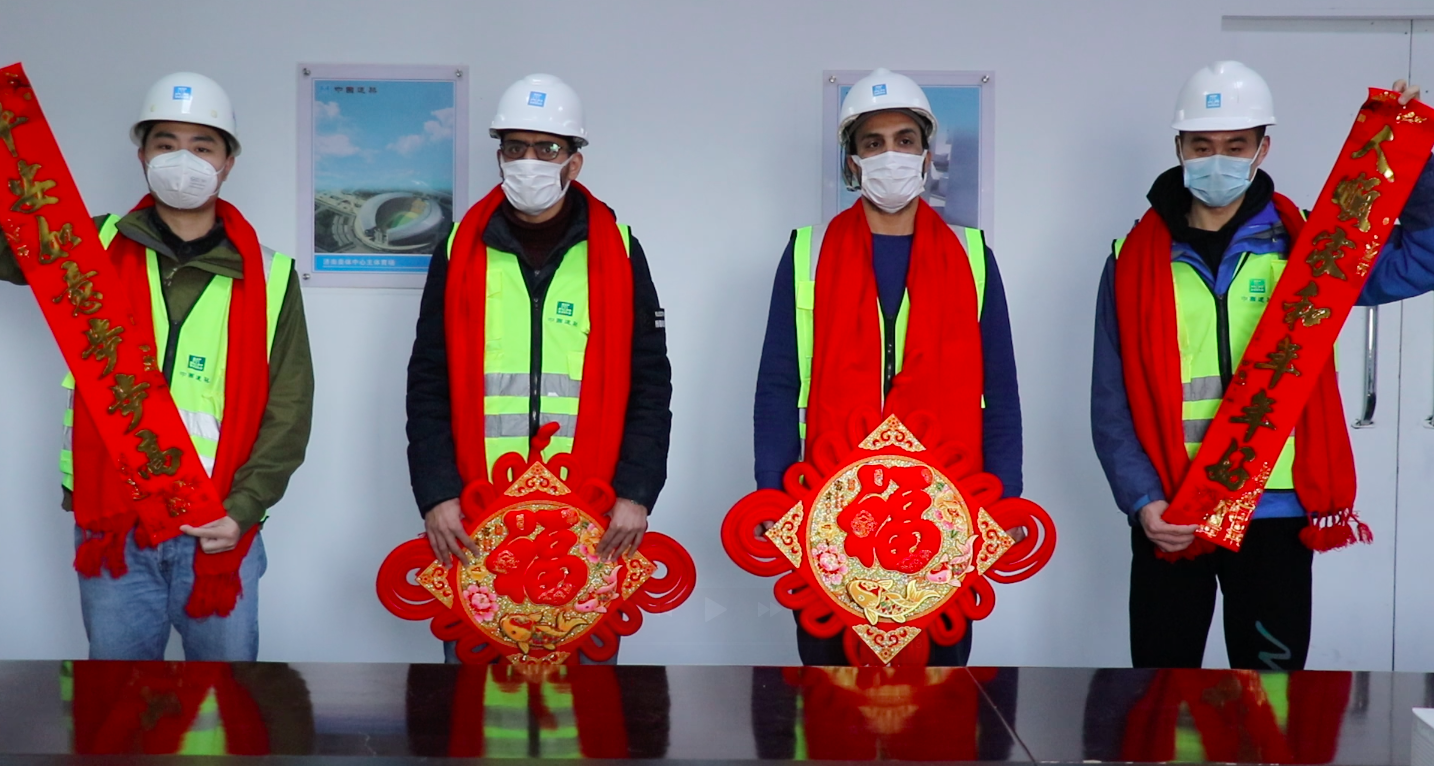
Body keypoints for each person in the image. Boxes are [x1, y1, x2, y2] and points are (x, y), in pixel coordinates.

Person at [1091, 61, 1434, 669]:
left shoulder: (1312, 249)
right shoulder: (1132, 259)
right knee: (1161, 696)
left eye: (1234, 145)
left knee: (1271, 698)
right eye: (1202, 146)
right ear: (1179, 147)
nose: (1216, 159)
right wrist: (1142, 499)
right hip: (1173, 509)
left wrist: (1418, 150)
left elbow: (1423, 254)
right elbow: (1110, 399)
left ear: (1261, 149)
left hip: (1275, 509)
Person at [0, 72, 313, 661]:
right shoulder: (88, 248)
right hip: (114, 520)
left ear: (227, 163)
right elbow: (11, 232)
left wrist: (243, 509)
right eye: (166, 143)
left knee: (225, 701)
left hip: (217, 524)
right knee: (119, 703)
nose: (182, 160)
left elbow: (289, 409)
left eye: (202, 146)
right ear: (142, 154)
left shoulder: (271, 275)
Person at [752, 68, 1023, 666]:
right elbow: (777, 387)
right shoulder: (807, 253)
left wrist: (1004, 496)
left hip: (945, 513)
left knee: (937, 693)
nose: (890, 155)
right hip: (827, 509)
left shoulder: (972, 255)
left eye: (905, 140)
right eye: (872, 143)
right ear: (852, 161)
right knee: (830, 690)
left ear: (926, 156)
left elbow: (1000, 392)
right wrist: (773, 496)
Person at [405, 73, 672, 664]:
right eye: (515, 147)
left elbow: (650, 384)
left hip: (590, 515)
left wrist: (636, 492)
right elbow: (428, 381)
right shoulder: (459, 247)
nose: (529, 161)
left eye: (547, 148)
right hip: (477, 515)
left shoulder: (619, 249)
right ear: (500, 155)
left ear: (574, 162)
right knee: (474, 699)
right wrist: (437, 493)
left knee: (586, 701)